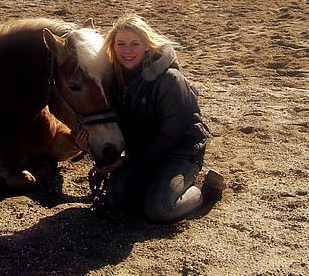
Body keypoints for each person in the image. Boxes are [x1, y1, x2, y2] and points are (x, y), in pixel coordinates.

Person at [74, 14, 225, 222]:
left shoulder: (170, 80)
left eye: (135, 43)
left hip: (179, 151)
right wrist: (89, 144)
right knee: (117, 200)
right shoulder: (111, 80)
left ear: (147, 46)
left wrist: (125, 162)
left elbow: (171, 136)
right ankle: (158, 185)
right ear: (112, 46)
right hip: (141, 150)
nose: (127, 51)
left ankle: (206, 190)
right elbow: (110, 123)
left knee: (160, 209)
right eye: (121, 43)